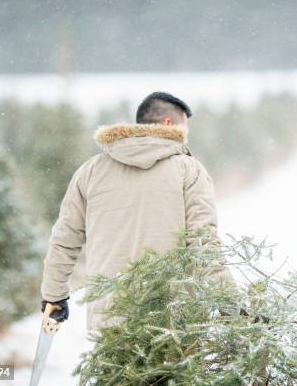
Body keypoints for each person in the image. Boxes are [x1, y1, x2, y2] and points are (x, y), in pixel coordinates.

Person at [40, 91, 234, 331]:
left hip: (110, 316)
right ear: (168, 123)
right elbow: (203, 242)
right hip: (172, 320)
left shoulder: (91, 171)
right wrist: (227, 299)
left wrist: (54, 295)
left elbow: (64, 239)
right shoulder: (188, 169)